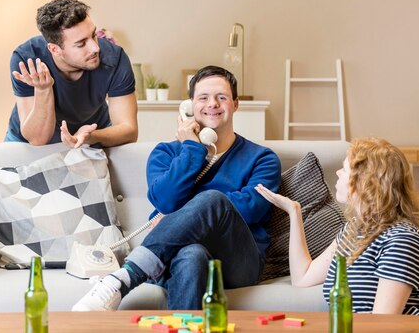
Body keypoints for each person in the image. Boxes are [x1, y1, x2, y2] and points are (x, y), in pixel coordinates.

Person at [72, 65, 281, 311]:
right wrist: (193, 150)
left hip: (239, 262)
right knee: (192, 255)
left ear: (235, 104)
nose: (212, 104)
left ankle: (124, 278)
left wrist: (183, 216)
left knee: (215, 200)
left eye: (221, 97)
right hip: (175, 256)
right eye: (203, 98)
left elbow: (250, 209)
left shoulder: (263, 159)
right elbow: (165, 202)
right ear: (190, 107)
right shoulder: (166, 153)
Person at [256, 137, 419, 315]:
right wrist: (294, 211)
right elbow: (303, 277)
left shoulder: (402, 241)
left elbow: (384, 324)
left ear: (366, 182)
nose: (337, 173)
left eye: (344, 169)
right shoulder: (354, 231)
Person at [5, 0, 138, 148]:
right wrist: (43, 90)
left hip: (93, 132)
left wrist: (90, 136)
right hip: (29, 140)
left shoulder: (114, 58)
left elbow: (129, 130)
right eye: (81, 44)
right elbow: (38, 139)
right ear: (55, 50)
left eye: (94, 35)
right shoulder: (26, 59)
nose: (96, 48)